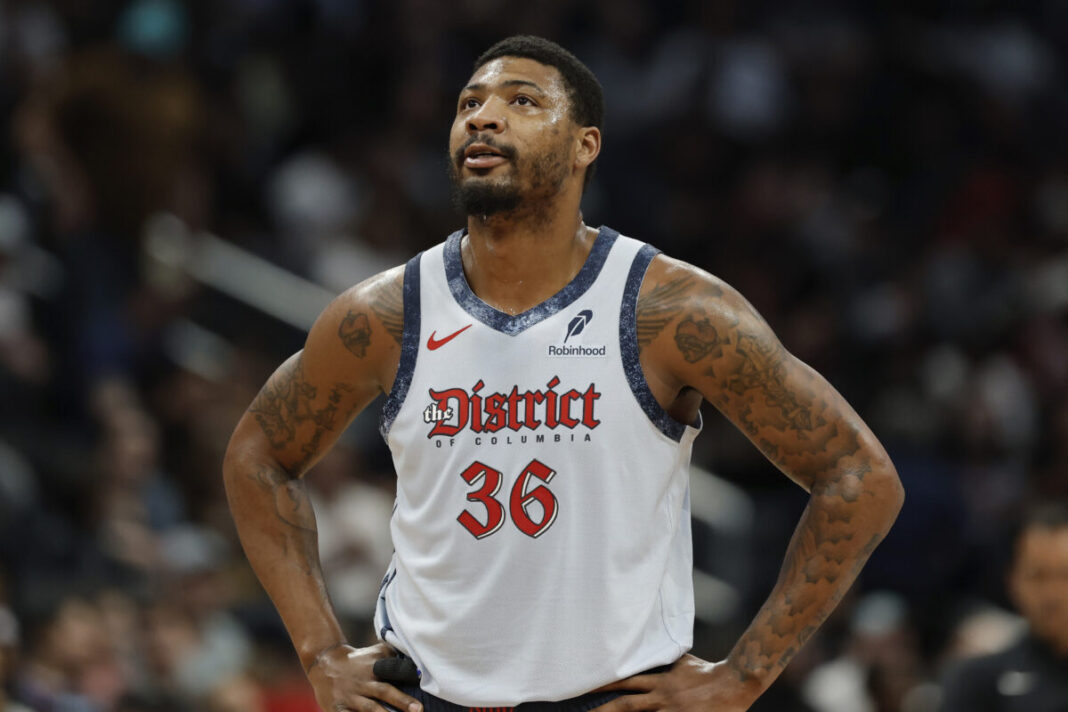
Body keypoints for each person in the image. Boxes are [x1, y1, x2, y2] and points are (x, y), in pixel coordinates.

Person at [222, 35, 904, 712]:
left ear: (585, 145)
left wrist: (743, 677)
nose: (484, 118)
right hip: (425, 695)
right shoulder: (387, 314)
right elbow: (257, 456)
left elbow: (859, 477)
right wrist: (319, 652)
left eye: (521, 101)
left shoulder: (670, 310)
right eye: (469, 103)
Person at [939, 503, 1068, 712]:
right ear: (1012, 581)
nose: (1052, 593)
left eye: (1065, 575)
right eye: (1038, 576)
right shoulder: (976, 681)